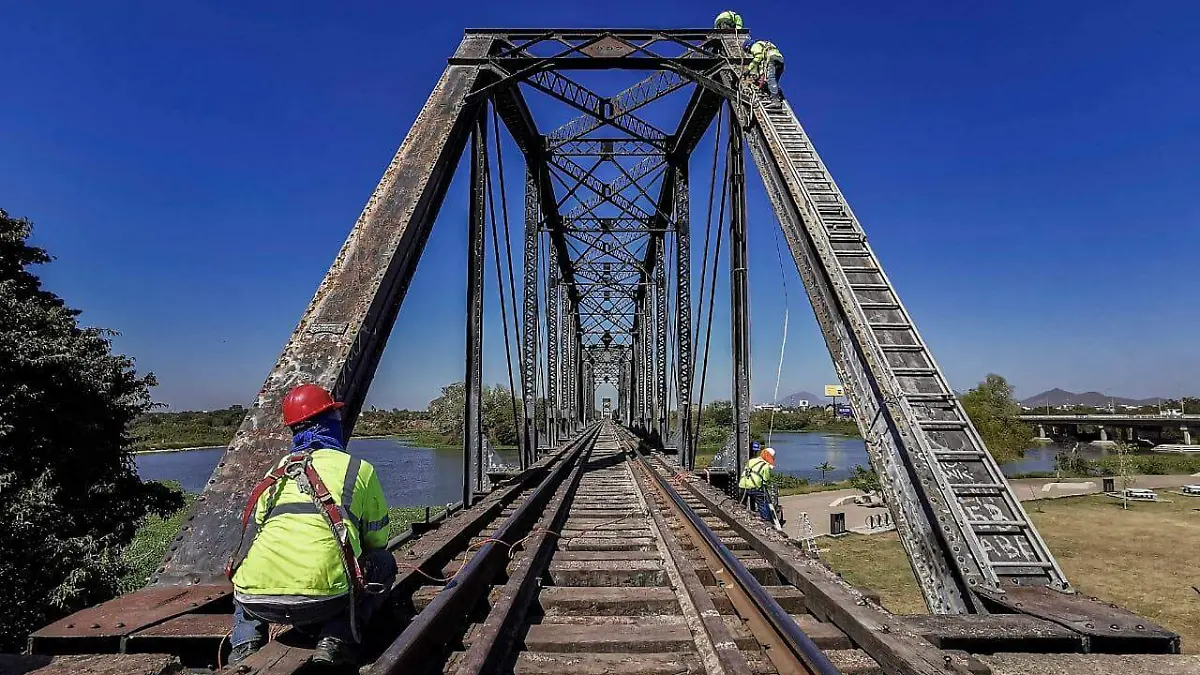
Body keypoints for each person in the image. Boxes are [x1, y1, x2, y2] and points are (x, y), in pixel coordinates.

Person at [227, 384, 396, 667]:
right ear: (328, 424)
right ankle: (336, 639)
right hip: (325, 599)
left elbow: (259, 526)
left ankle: (244, 650)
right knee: (383, 562)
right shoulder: (358, 468)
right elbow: (377, 540)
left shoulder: (276, 470)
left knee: (248, 574)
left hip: (255, 600)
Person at [738, 445, 776, 521]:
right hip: (755, 487)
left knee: (742, 505)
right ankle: (766, 521)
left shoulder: (751, 461)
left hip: (743, 485)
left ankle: (741, 519)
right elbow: (766, 479)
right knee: (762, 504)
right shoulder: (765, 466)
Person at [743, 38, 785, 105]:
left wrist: (749, 69)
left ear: (748, 47)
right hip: (780, 60)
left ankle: (775, 101)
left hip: (771, 59)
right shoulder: (763, 44)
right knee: (773, 81)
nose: (751, 53)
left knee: (770, 79)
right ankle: (778, 96)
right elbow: (763, 64)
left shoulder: (755, 46)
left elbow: (758, 57)